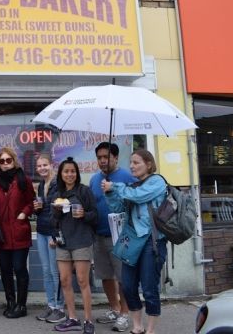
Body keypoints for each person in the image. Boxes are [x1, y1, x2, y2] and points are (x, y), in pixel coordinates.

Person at [101, 149, 168, 334]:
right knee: (129, 286)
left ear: (148, 164)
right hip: (132, 240)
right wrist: (109, 193)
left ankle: (150, 330)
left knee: (149, 288)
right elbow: (118, 207)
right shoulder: (133, 186)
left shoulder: (157, 182)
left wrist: (114, 187)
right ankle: (137, 327)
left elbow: (139, 196)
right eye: (130, 162)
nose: (132, 166)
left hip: (151, 241)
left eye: (136, 162)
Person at [89, 142, 136, 332]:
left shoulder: (127, 176)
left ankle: (125, 314)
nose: (102, 161)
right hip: (98, 235)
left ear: (116, 157)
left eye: (106, 157)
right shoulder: (94, 179)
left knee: (123, 277)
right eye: (99, 157)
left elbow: (134, 201)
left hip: (121, 236)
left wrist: (113, 189)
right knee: (105, 276)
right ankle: (114, 308)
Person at [51, 157, 97, 334]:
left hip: (82, 241)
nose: (69, 174)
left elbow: (95, 215)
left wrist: (84, 214)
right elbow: (52, 221)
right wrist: (56, 213)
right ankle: (72, 318)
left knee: (82, 280)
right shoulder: (57, 195)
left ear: (76, 173)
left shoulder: (84, 191)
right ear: (61, 174)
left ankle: (88, 320)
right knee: (64, 281)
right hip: (63, 242)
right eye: (66, 171)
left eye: (72, 171)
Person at [0, 147, 35, 319]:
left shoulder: (24, 180)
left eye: (9, 160)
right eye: (2, 161)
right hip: (2, 233)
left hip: (20, 230)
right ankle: (10, 303)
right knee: (5, 269)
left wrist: (24, 213)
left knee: (20, 268)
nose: (6, 164)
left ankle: (22, 305)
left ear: (14, 161)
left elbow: (31, 201)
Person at [33, 154, 66, 323]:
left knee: (55, 272)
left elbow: (61, 212)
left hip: (53, 233)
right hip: (41, 231)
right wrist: (37, 208)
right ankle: (51, 305)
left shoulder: (58, 184)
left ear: (51, 165)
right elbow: (42, 210)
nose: (42, 168)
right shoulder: (40, 185)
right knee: (46, 271)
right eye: (39, 166)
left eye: (45, 165)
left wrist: (57, 235)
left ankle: (60, 308)